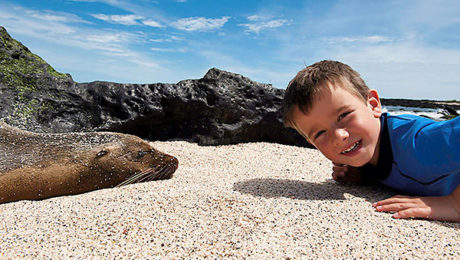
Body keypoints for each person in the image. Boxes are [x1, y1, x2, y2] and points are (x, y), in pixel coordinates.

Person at [282, 60, 460, 221]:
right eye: (320, 133)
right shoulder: (368, 155)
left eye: (344, 115)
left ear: (373, 105)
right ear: (311, 143)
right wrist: (364, 173)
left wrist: (455, 204)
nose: (339, 137)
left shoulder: (418, 142)